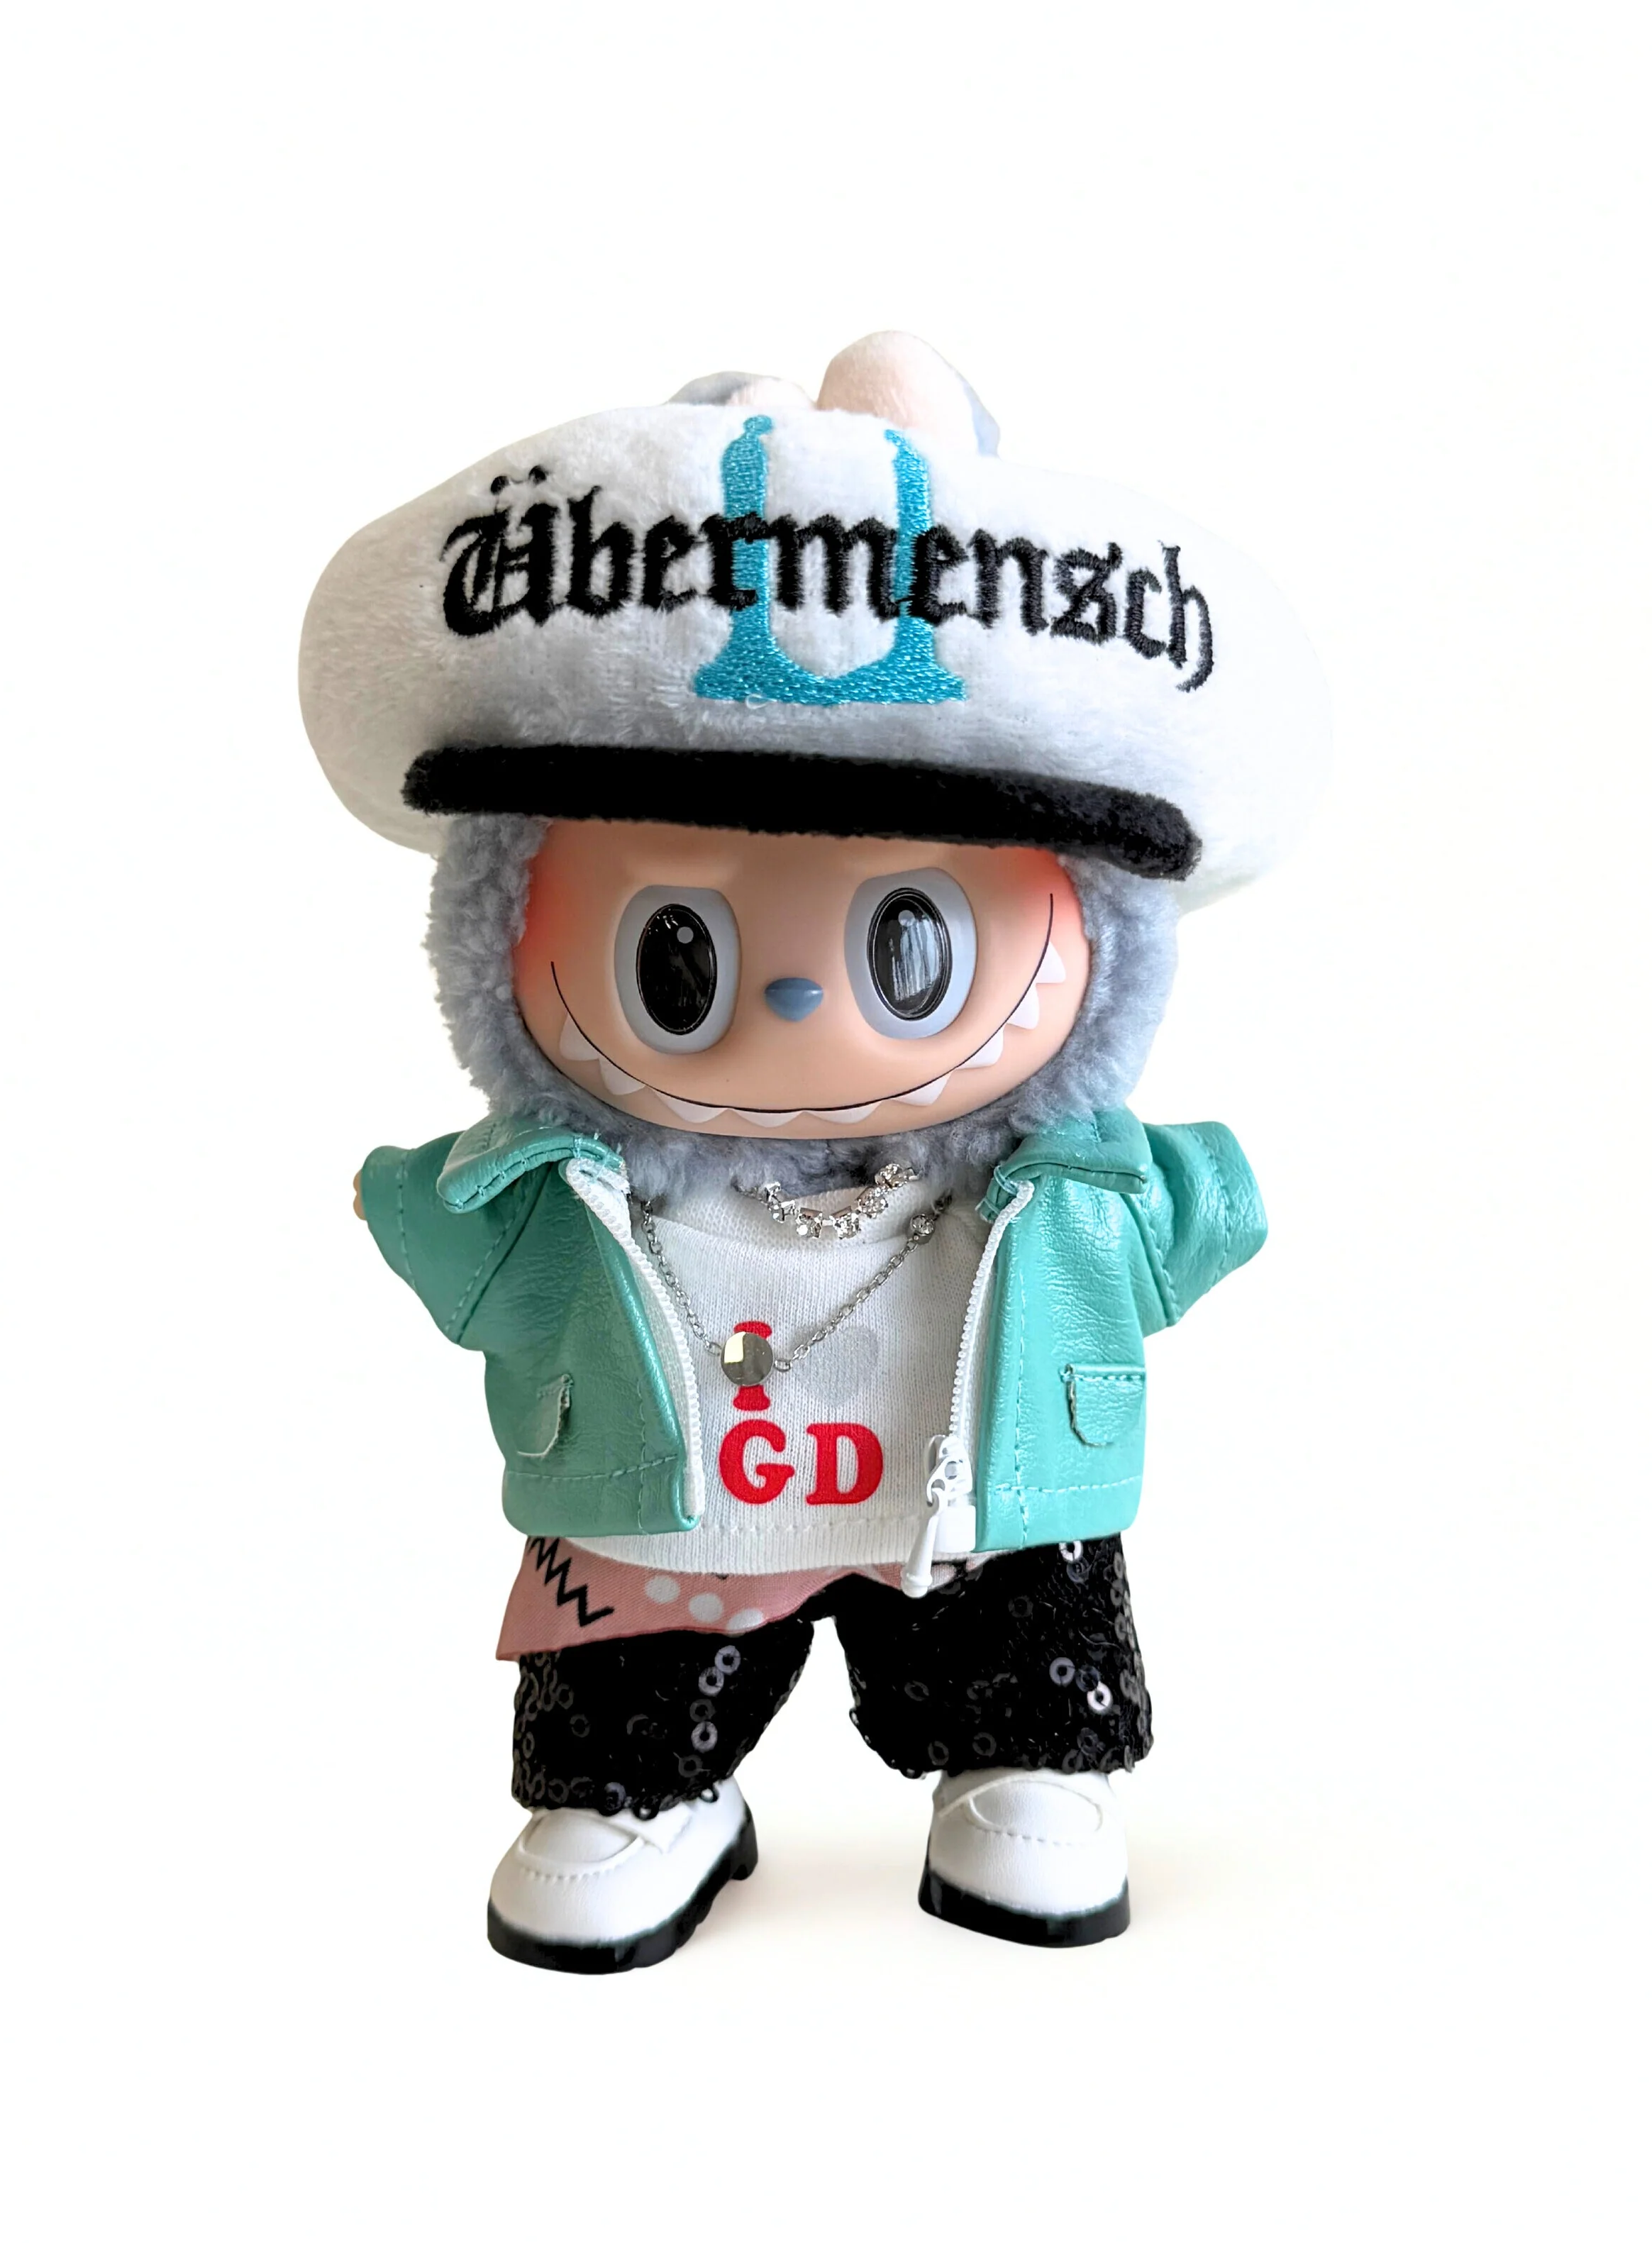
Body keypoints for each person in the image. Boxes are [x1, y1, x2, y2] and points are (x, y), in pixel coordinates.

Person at [302, 332, 1328, 1969]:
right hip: (673, 1536)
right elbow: (461, 1236)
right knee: (626, 1656)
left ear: (1103, 937)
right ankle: (649, 1787)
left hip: (972, 1513)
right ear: (500, 920)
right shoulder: (564, 1196)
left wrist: (1201, 1201)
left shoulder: (1059, 1193)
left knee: (1028, 1615)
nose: (794, 998)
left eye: (909, 940)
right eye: (680, 953)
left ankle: (1023, 1762)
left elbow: (1183, 1215)